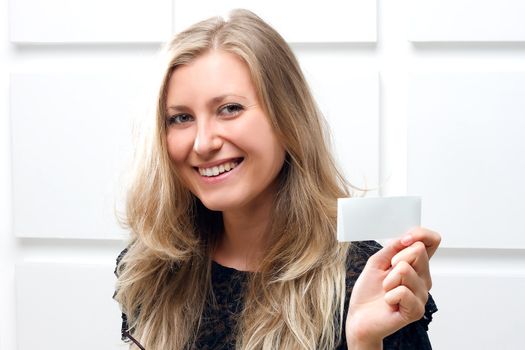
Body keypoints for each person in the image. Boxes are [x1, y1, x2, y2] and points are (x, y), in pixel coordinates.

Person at [113, 9, 441, 350]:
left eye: (229, 109)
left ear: (288, 118)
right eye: (181, 118)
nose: (202, 142)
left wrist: (363, 339)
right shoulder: (153, 268)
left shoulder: (365, 281)